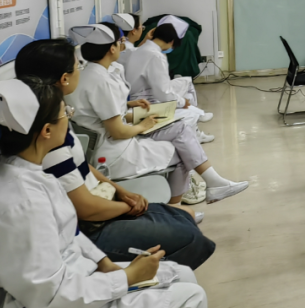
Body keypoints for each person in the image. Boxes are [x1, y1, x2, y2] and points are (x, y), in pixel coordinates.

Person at [0, 78, 210, 308]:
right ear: (46, 131)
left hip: (62, 287)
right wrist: (126, 278)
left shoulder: (17, 172)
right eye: (66, 113)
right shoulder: (20, 202)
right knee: (190, 299)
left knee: (181, 274)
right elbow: (49, 296)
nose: (69, 118)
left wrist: (105, 263)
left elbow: (68, 232)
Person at [15, 39, 215, 268]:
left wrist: (121, 192)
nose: (81, 70)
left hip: (99, 196)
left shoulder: (53, 118)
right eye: (77, 66)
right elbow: (86, 209)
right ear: (64, 78)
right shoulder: (49, 136)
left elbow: (81, 165)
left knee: (186, 215)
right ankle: (159, 274)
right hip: (91, 225)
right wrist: (129, 206)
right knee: (189, 234)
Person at [67, 24, 248, 204]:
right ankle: (180, 209)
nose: (123, 45)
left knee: (180, 130)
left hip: (107, 143)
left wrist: (131, 109)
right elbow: (118, 131)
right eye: (120, 42)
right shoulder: (102, 81)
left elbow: (103, 114)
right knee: (182, 150)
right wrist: (142, 125)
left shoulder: (87, 75)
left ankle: (208, 188)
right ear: (112, 48)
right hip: (115, 152)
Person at [120, 20, 214, 143]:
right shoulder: (156, 56)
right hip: (145, 104)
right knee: (190, 114)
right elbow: (163, 93)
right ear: (171, 42)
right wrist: (182, 102)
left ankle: (195, 127)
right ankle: (193, 136)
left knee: (187, 103)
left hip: (140, 100)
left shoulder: (139, 50)